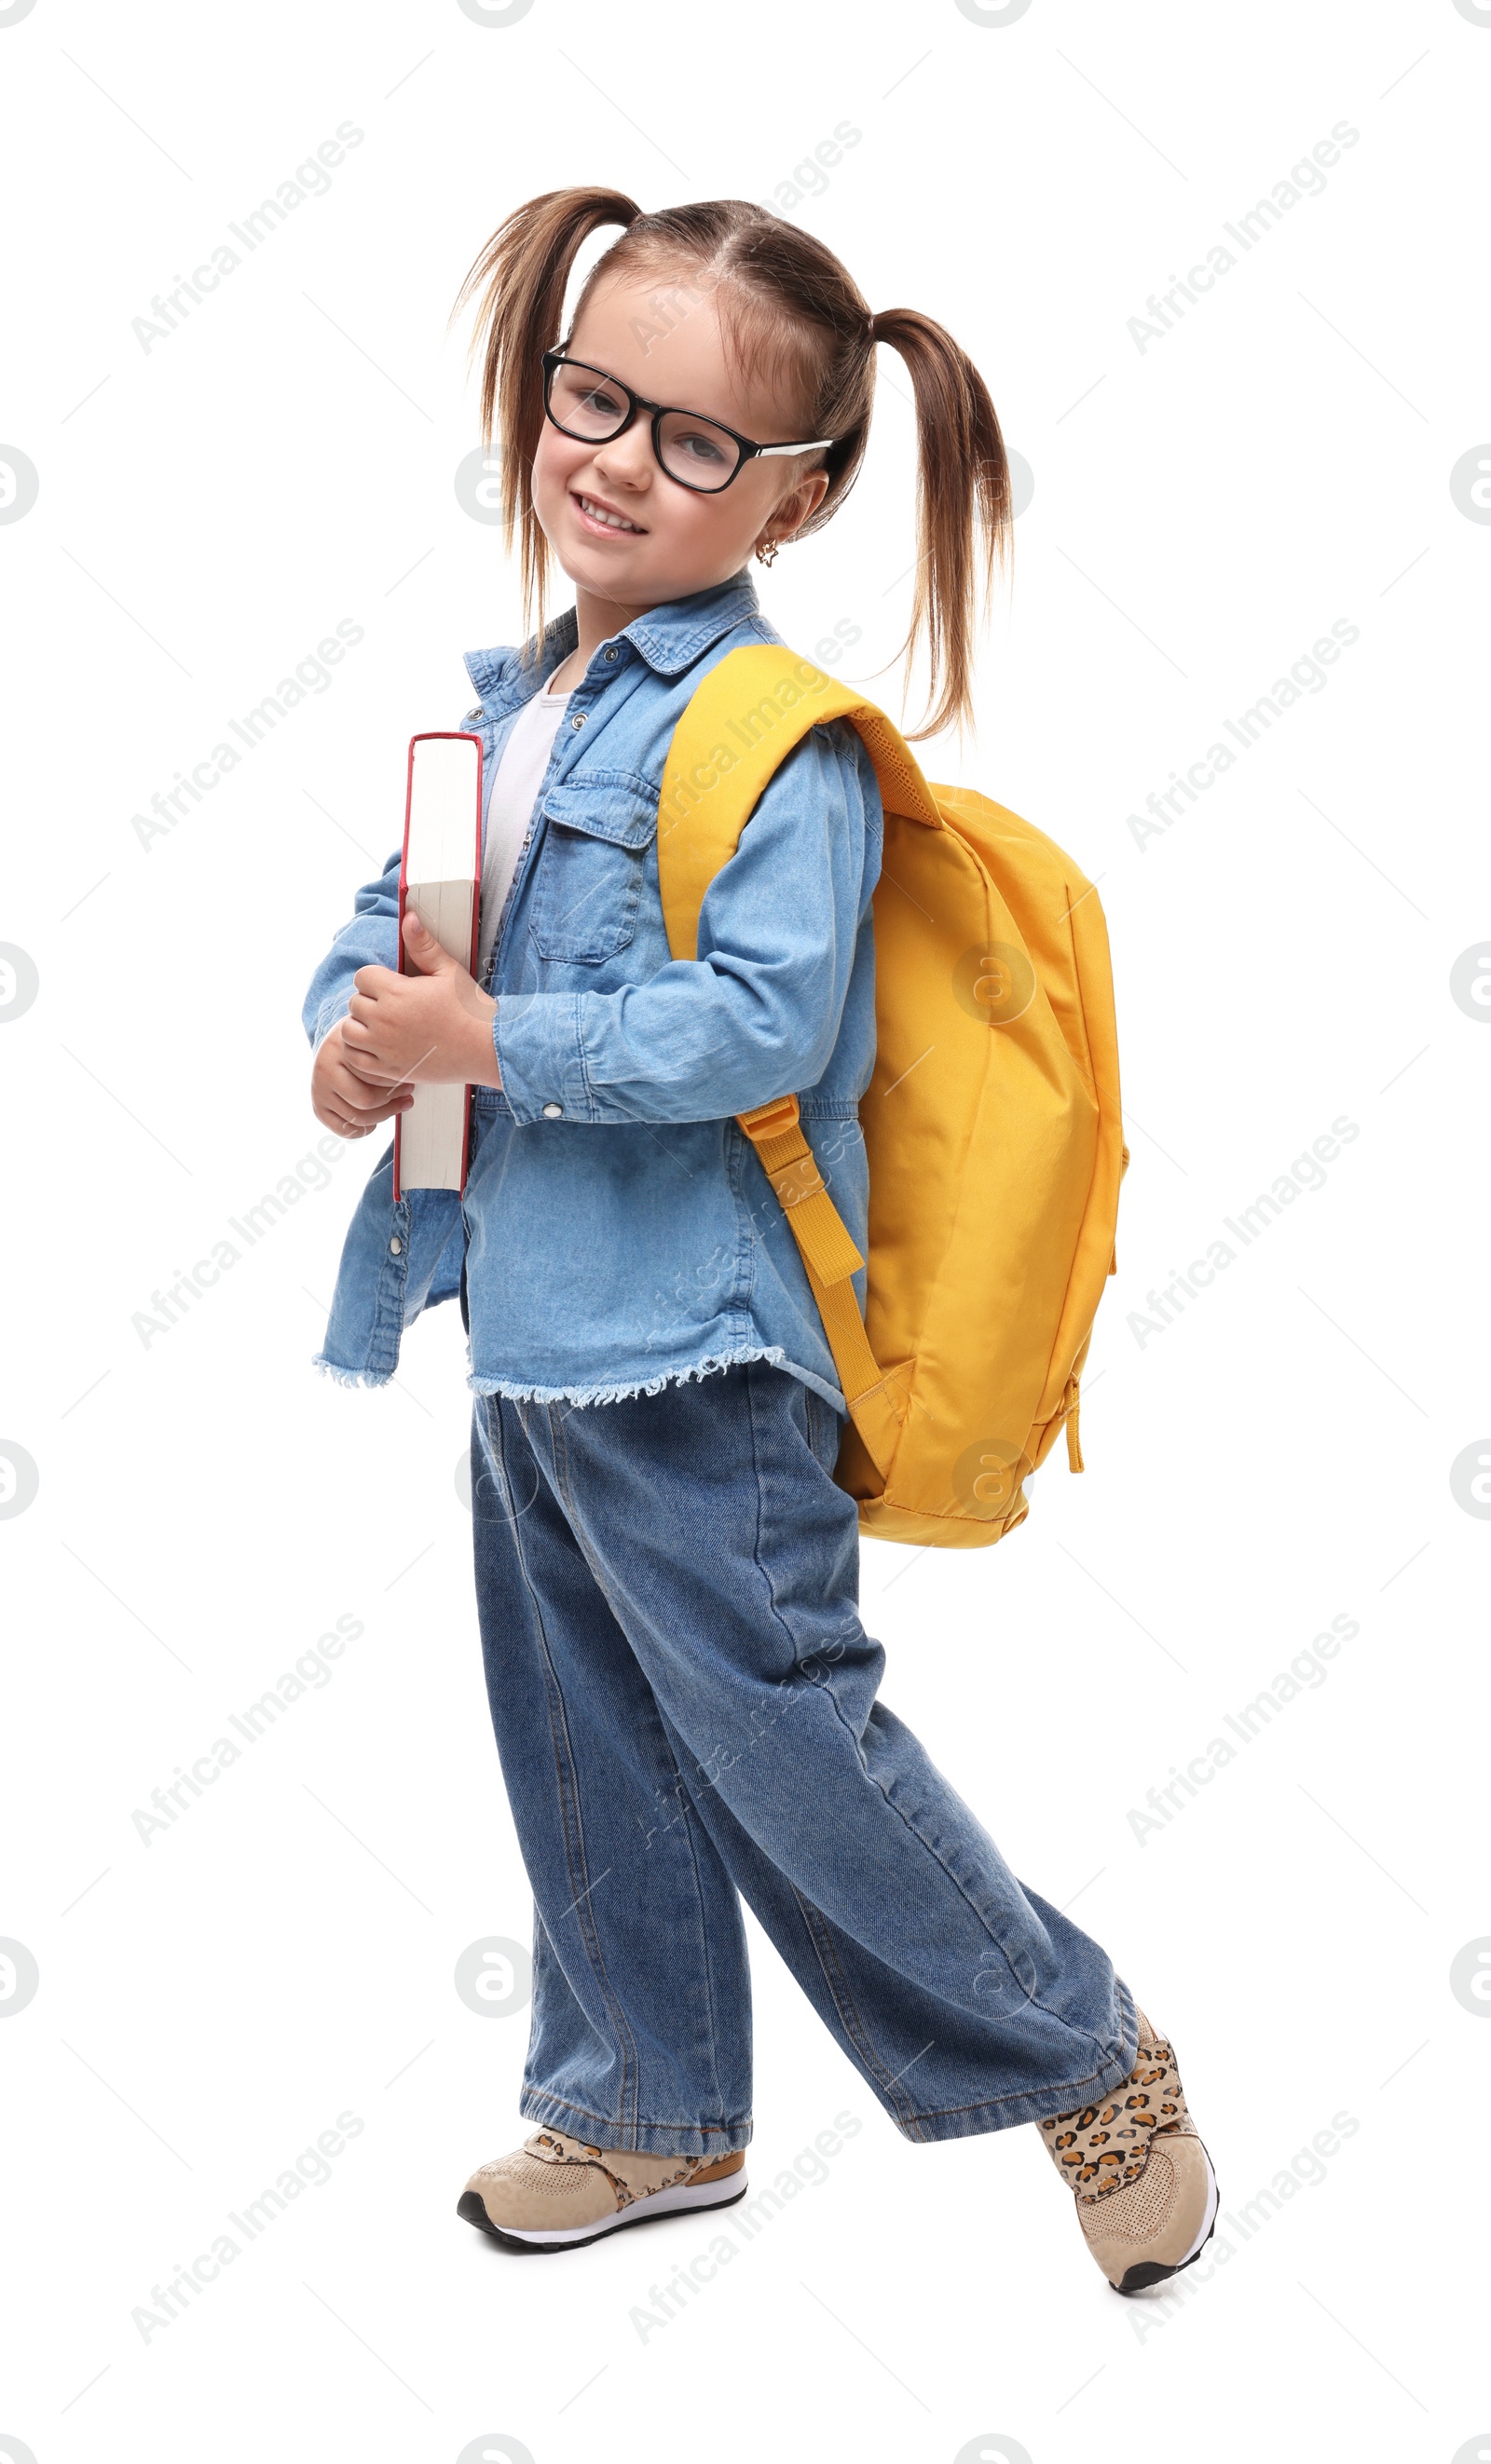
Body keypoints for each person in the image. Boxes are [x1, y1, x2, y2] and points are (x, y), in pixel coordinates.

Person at [301, 187, 1215, 2294]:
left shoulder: (770, 741)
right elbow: (397, 918)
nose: (613, 456)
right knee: (576, 1721)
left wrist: (490, 1040)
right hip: (527, 1326)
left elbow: (756, 1026)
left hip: (698, 1350)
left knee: (784, 1736)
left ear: (790, 502)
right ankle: (641, 2110)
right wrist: (357, 1045)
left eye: (692, 441)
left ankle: (1087, 2059)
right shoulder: (524, 700)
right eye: (590, 397)